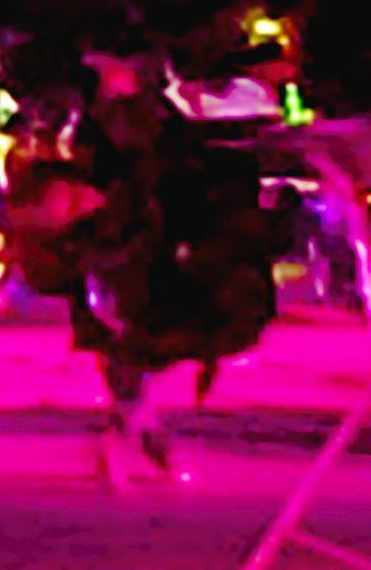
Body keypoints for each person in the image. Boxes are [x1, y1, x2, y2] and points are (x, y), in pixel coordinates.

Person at [48, 50, 285, 483]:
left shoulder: (155, 118)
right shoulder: (110, 125)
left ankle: (135, 429)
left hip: (155, 241)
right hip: (128, 243)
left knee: (142, 337)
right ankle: (134, 430)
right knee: (128, 336)